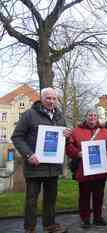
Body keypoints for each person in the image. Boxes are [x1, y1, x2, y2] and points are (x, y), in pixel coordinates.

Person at [11, 88, 72, 233]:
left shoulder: (60, 117)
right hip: (35, 166)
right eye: (48, 98)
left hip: (53, 166)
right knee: (31, 200)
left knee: (51, 199)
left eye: (54, 98)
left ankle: (49, 225)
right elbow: (17, 137)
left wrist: (66, 135)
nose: (51, 101)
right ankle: (29, 228)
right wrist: (28, 154)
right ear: (41, 98)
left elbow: (63, 140)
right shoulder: (29, 115)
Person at [66, 109, 107, 228]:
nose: (92, 117)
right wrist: (77, 153)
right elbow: (68, 146)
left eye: (94, 115)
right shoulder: (76, 131)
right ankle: (85, 218)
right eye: (90, 115)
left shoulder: (105, 131)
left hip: (100, 169)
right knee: (84, 195)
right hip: (84, 169)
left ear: (97, 117)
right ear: (86, 117)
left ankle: (98, 217)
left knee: (98, 195)